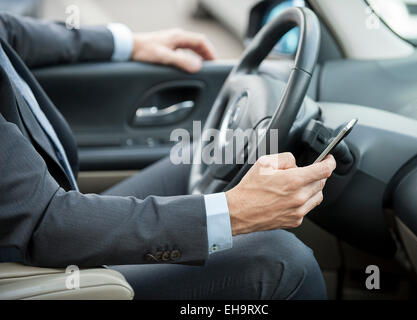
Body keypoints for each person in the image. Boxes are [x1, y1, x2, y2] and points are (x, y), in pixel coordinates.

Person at [0, 13, 336, 300]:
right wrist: (235, 212)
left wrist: (128, 43)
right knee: (283, 262)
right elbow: (47, 223)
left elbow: (7, 30)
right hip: (30, 271)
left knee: (200, 156)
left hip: (36, 218)